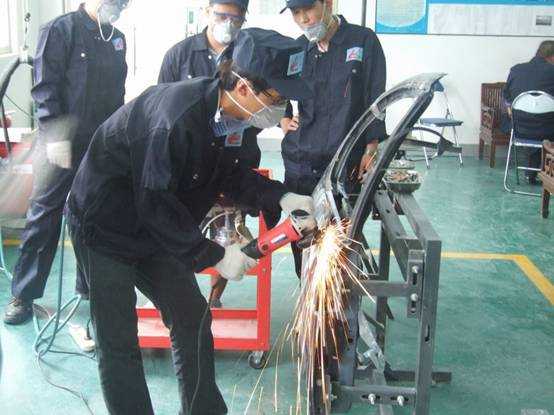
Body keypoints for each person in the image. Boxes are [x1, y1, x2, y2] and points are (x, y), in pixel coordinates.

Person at [66, 28, 315, 415]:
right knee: (118, 340)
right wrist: (214, 255)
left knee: (191, 318)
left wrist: (281, 196)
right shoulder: (174, 119)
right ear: (244, 87)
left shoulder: (234, 120)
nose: (282, 110)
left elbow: (230, 175)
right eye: (277, 99)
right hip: (105, 228)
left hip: (155, 228)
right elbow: (154, 202)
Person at [4, 0, 129, 325]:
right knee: (45, 215)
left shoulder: (116, 38)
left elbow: (118, 95)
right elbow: (45, 88)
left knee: (95, 214)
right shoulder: (60, 31)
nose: (118, 6)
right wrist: (54, 135)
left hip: (99, 143)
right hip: (60, 142)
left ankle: (88, 286)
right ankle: (23, 295)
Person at [159, 0, 265, 307]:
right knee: (181, 230)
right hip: (187, 166)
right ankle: (181, 299)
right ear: (206, 12)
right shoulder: (179, 56)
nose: (228, 23)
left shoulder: (249, 54)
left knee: (226, 233)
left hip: (233, 160)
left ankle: (213, 299)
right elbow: (163, 108)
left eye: (237, 18)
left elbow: (259, 104)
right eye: (222, 15)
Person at [279, 0, 387, 277]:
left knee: (338, 246)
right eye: (296, 13)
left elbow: (376, 97)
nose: (303, 19)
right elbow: (275, 86)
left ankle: (337, 299)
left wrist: (372, 147)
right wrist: (284, 118)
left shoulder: (363, 41)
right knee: (303, 241)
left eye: (308, 9)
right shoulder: (298, 50)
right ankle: (307, 293)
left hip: (345, 162)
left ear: (327, 3)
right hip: (302, 163)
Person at [504, 40, 554, 184]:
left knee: (535, 120)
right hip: (549, 130)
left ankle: (531, 173)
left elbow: (507, 98)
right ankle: (546, 174)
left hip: (520, 129)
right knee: (543, 122)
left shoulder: (516, 70)